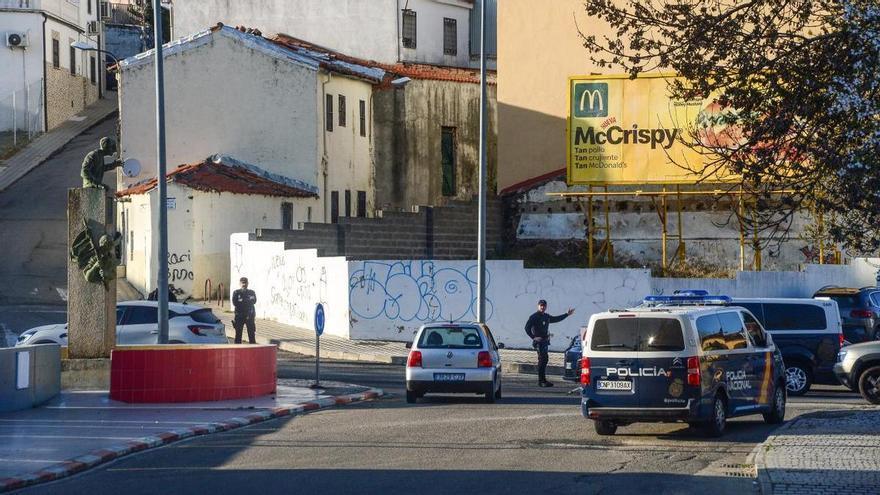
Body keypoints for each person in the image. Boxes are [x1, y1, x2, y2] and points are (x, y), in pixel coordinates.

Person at [524, 299, 574, 387]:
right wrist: (534, 337)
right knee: (542, 360)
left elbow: (556, 319)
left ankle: (543, 380)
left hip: (545, 342)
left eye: (544, 306)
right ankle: (541, 381)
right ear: (538, 306)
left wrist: (566, 314)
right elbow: (527, 328)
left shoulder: (546, 316)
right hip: (538, 342)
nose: (542, 307)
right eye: (541, 305)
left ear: (546, 307)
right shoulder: (534, 316)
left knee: (545, 360)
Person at [232, 277, 257, 344]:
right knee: (238, 335)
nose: (244, 284)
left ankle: (253, 351)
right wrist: (247, 301)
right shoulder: (236, 292)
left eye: (245, 283)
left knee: (251, 334)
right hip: (239, 315)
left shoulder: (251, 292)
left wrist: (242, 301)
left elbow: (254, 301)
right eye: (242, 283)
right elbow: (235, 303)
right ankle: (237, 350)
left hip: (250, 315)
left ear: (248, 283)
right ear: (240, 284)